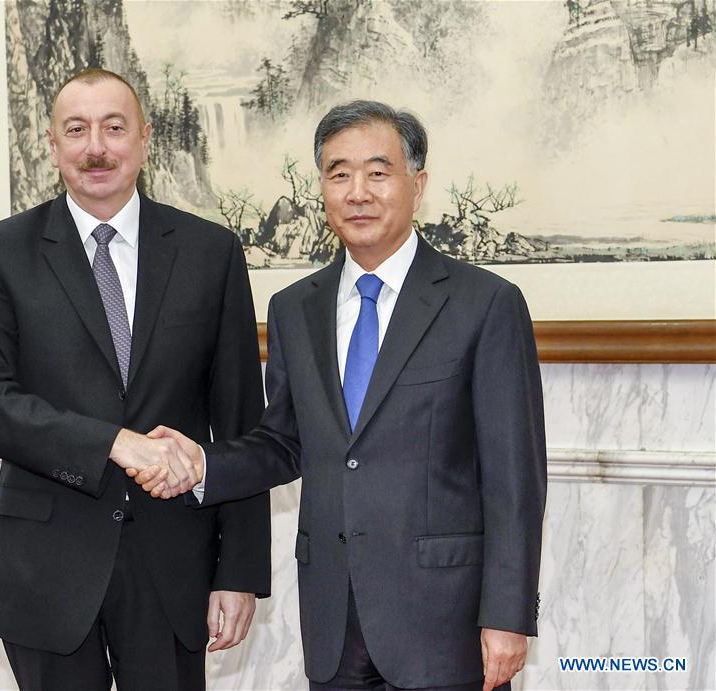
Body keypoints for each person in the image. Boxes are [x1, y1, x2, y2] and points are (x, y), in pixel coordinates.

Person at [128, 100, 547, 691]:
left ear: (417, 185)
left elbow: (515, 479)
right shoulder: (295, 309)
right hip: (333, 618)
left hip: (445, 619)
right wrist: (201, 464)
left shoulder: (485, 304)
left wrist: (507, 614)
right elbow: (283, 443)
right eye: (338, 173)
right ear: (321, 188)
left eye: (378, 172)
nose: (358, 192)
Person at [0, 67, 270, 691]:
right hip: (46, 569)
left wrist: (239, 571)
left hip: (174, 567)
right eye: (77, 130)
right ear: (52, 144)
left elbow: (241, 425)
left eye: (114, 128)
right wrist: (114, 444)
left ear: (145, 138)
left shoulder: (211, 253)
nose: (96, 147)